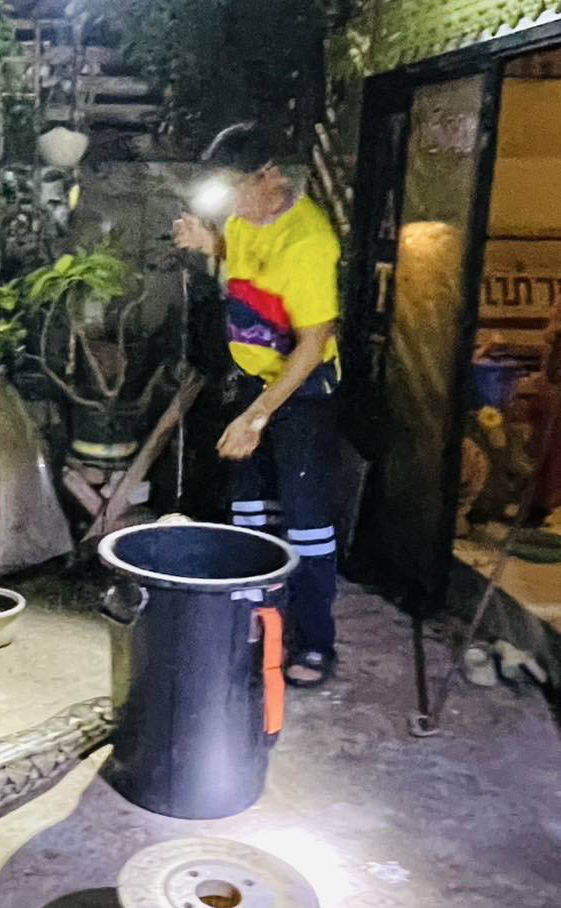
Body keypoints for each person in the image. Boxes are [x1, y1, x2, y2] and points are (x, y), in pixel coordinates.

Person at [174, 121, 341, 687]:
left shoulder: (309, 242)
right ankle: (252, 627)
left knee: (307, 525)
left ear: (268, 177)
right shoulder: (241, 221)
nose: (228, 202)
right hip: (252, 383)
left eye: (233, 187)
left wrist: (258, 415)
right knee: (249, 513)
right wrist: (210, 245)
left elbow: (313, 345)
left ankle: (314, 643)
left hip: (302, 393)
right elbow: (244, 260)